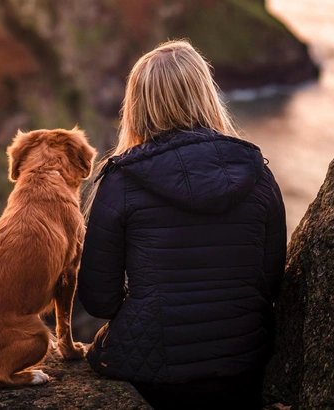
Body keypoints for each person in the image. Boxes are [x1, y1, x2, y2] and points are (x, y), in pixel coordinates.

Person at [77, 40, 286, 410]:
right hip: (242, 365)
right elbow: (269, 283)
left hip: (154, 377)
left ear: (138, 106)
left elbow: (99, 300)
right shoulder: (258, 173)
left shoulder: (121, 181)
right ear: (206, 94)